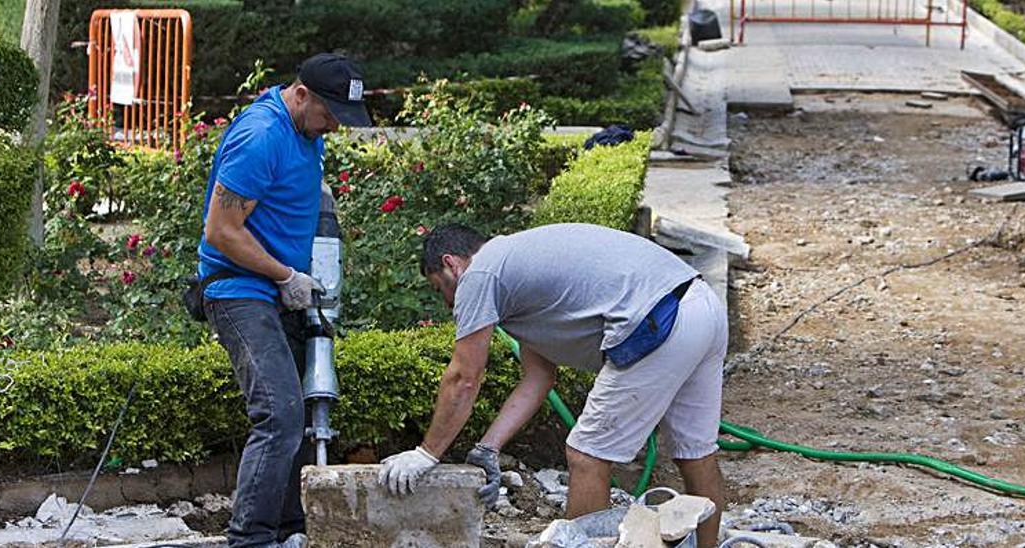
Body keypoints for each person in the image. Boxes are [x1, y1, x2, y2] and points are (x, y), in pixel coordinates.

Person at [379, 223, 728, 547]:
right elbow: (538, 379)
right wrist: (488, 448)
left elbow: (464, 378)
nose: (448, 303)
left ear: (451, 263)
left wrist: (425, 454)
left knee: (587, 454)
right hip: (701, 305)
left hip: (658, 319)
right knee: (694, 453)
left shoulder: (479, 275)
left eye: (440, 288)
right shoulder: (517, 279)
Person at [196, 53, 371, 548]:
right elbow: (222, 231)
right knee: (279, 413)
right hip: (240, 289)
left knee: (300, 409)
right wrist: (286, 274)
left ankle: (291, 530)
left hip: (278, 289)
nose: (335, 126)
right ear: (301, 95)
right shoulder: (262, 136)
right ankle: (249, 538)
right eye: (330, 113)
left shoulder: (305, 131)